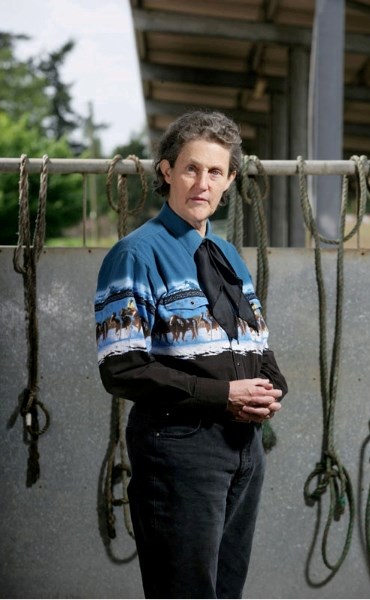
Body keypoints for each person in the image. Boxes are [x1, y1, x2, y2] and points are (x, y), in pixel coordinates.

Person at [94, 109, 288, 599]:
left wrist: (272, 389)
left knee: (225, 589)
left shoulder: (229, 255)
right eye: (191, 168)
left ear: (230, 180)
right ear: (166, 172)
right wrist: (223, 394)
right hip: (180, 449)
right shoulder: (135, 255)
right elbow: (122, 368)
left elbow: (255, 343)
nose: (203, 183)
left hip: (244, 446)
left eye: (215, 171)